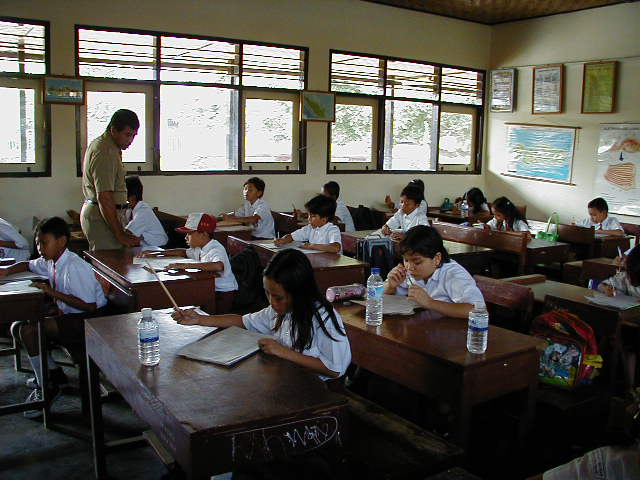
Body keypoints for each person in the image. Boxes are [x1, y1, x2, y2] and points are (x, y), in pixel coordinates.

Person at [171, 249, 351, 380]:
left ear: (299, 292)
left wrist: (283, 352)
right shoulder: (278, 311)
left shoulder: (323, 318)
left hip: (314, 392)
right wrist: (201, 319)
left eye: (278, 297)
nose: (272, 302)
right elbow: (243, 321)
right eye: (267, 293)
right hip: (285, 380)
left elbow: (334, 369)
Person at [1, 217, 107, 417]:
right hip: (69, 315)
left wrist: (49, 291)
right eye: (37, 243)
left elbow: (89, 306)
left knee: (29, 331)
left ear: (61, 241)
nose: (40, 247)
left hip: (87, 321)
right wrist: (6, 271)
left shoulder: (74, 266)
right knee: (16, 326)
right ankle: (52, 374)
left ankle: (47, 386)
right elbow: (28, 265)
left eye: (44, 242)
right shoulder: (51, 260)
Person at [141, 213, 237, 314]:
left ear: (203, 234)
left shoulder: (216, 248)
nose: (186, 237)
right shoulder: (199, 248)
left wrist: (187, 265)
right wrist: (158, 253)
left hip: (222, 293)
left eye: (189, 234)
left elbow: (218, 266)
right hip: (208, 287)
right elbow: (183, 252)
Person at [384, 225, 485, 319]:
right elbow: (380, 295)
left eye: (417, 262)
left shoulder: (453, 274)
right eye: (406, 260)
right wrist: (390, 286)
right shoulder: (410, 272)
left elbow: (478, 311)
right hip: (424, 327)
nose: (410, 267)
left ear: (437, 258)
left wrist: (430, 303)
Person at [80, 109, 141, 250]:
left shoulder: (110, 146)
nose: (131, 140)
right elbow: (104, 197)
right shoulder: (105, 151)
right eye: (127, 135)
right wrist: (119, 234)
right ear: (113, 130)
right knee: (109, 265)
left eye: (133, 135)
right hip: (101, 217)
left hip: (105, 215)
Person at [275, 195, 342, 253]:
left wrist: (312, 246)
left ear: (324, 219)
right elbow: (292, 236)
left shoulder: (332, 230)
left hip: (333, 264)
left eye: (313, 216)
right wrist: (283, 240)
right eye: (309, 215)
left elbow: (335, 248)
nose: (309, 218)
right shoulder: (310, 228)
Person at [123, 176, 168, 248]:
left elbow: (125, 234)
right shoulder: (130, 210)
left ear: (132, 197)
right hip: (145, 246)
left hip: (159, 247)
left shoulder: (143, 212)